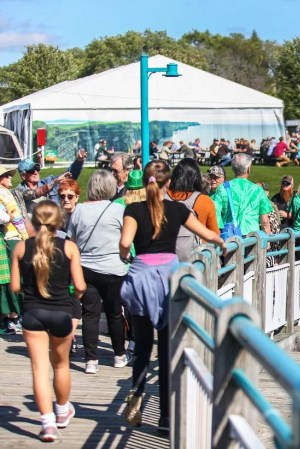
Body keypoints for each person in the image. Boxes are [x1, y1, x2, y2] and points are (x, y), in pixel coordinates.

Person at [120, 160, 226, 432]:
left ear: (144, 183)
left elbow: (124, 243)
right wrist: (222, 242)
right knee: (167, 350)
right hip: (169, 278)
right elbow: (207, 234)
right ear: (169, 182)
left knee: (143, 347)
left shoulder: (133, 209)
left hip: (141, 277)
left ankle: (137, 390)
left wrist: (126, 257)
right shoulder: (178, 209)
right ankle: (166, 419)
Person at [10, 200, 86, 442]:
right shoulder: (70, 247)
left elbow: (14, 287)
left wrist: (31, 292)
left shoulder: (22, 248)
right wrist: (74, 296)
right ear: (59, 222)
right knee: (61, 365)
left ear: (33, 221)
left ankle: (47, 424)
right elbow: (81, 286)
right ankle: (62, 411)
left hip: (33, 313)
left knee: (39, 370)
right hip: (62, 312)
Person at [67, 170, 130, 374]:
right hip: (114, 268)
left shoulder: (79, 211)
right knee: (114, 313)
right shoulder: (118, 210)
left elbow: (71, 241)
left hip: (86, 268)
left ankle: (90, 360)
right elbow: (125, 241)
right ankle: (119, 355)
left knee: (90, 314)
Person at [166, 158, 219, 261]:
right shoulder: (205, 201)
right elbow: (215, 234)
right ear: (197, 178)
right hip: (198, 259)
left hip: (166, 260)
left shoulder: (162, 198)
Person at [209, 154, 272, 236]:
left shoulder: (222, 188)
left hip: (230, 238)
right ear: (248, 169)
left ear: (232, 168)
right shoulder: (258, 190)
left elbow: (215, 215)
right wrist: (268, 240)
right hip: (252, 238)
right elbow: (265, 221)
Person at [0, 165, 29, 334]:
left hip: (9, 238)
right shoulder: (3, 193)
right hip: (12, 238)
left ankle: (13, 316)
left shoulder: (5, 192)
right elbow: (15, 217)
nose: (11, 178)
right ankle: (14, 316)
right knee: (15, 278)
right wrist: (25, 236)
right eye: (6, 176)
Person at [15, 150, 86, 214]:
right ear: (23, 176)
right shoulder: (19, 191)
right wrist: (53, 183)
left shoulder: (49, 180)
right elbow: (33, 193)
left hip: (56, 223)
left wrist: (79, 161)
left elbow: (68, 176)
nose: (36, 172)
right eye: (31, 171)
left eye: (37, 169)